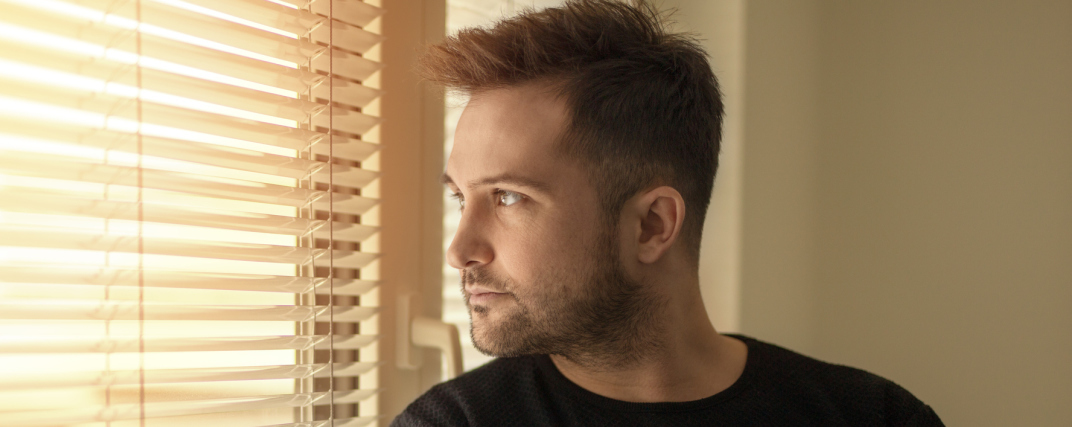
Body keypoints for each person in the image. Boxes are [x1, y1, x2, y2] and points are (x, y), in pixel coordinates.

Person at [392, 1, 944, 425]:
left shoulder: (873, 417)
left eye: (508, 197)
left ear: (652, 225)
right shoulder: (453, 422)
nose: (460, 249)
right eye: (461, 198)